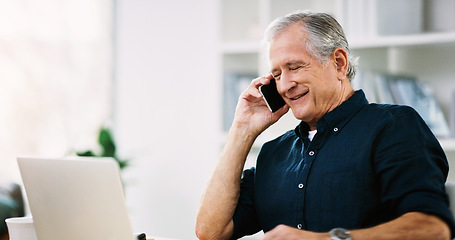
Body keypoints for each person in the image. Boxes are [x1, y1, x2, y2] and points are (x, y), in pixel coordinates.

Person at [195, 10, 455, 240]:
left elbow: (432, 229)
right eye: (276, 75)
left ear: (339, 63)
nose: (284, 85)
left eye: (295, 67)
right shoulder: (273, 153)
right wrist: (242, 129)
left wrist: (327, 239)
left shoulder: (393, 126)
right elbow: (211, 231)